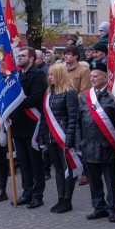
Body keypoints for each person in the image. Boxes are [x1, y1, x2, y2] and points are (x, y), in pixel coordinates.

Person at [76, 60, 115, 222]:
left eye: (96, 76)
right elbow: (78, 122)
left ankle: (112, 208)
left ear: (105, 77)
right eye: (92, 76)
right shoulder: (85, 97)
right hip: (88, 145)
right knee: (94, 180)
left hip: (107, 145)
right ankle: (99, 207)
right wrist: (78, 143)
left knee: (110, 180)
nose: (93, 78)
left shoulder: (113, 97)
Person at [11, 47, 49, 208]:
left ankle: (37, 194)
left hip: (32, 123)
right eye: (18, 56)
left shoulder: (38, 75)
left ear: (32, 59)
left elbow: (35, 98)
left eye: (23, 56)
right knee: (23, 162)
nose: (19, 58)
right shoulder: (17, 75)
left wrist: (13, 104)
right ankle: (26, 191)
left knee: (35, 162)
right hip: (18, 124)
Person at [41, 62, 79, 213]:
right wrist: (42, 137)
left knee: (67, 169)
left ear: (59, 75)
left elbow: (72, 118)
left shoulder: (69, 93)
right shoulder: (49, 92)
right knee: (57, 169)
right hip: (50, 137)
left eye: (51, 74)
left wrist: (69, 140)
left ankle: (67, 200)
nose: (49, 77)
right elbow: (44, 118)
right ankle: (60, 198)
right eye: (48, 74)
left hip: (63, 137)